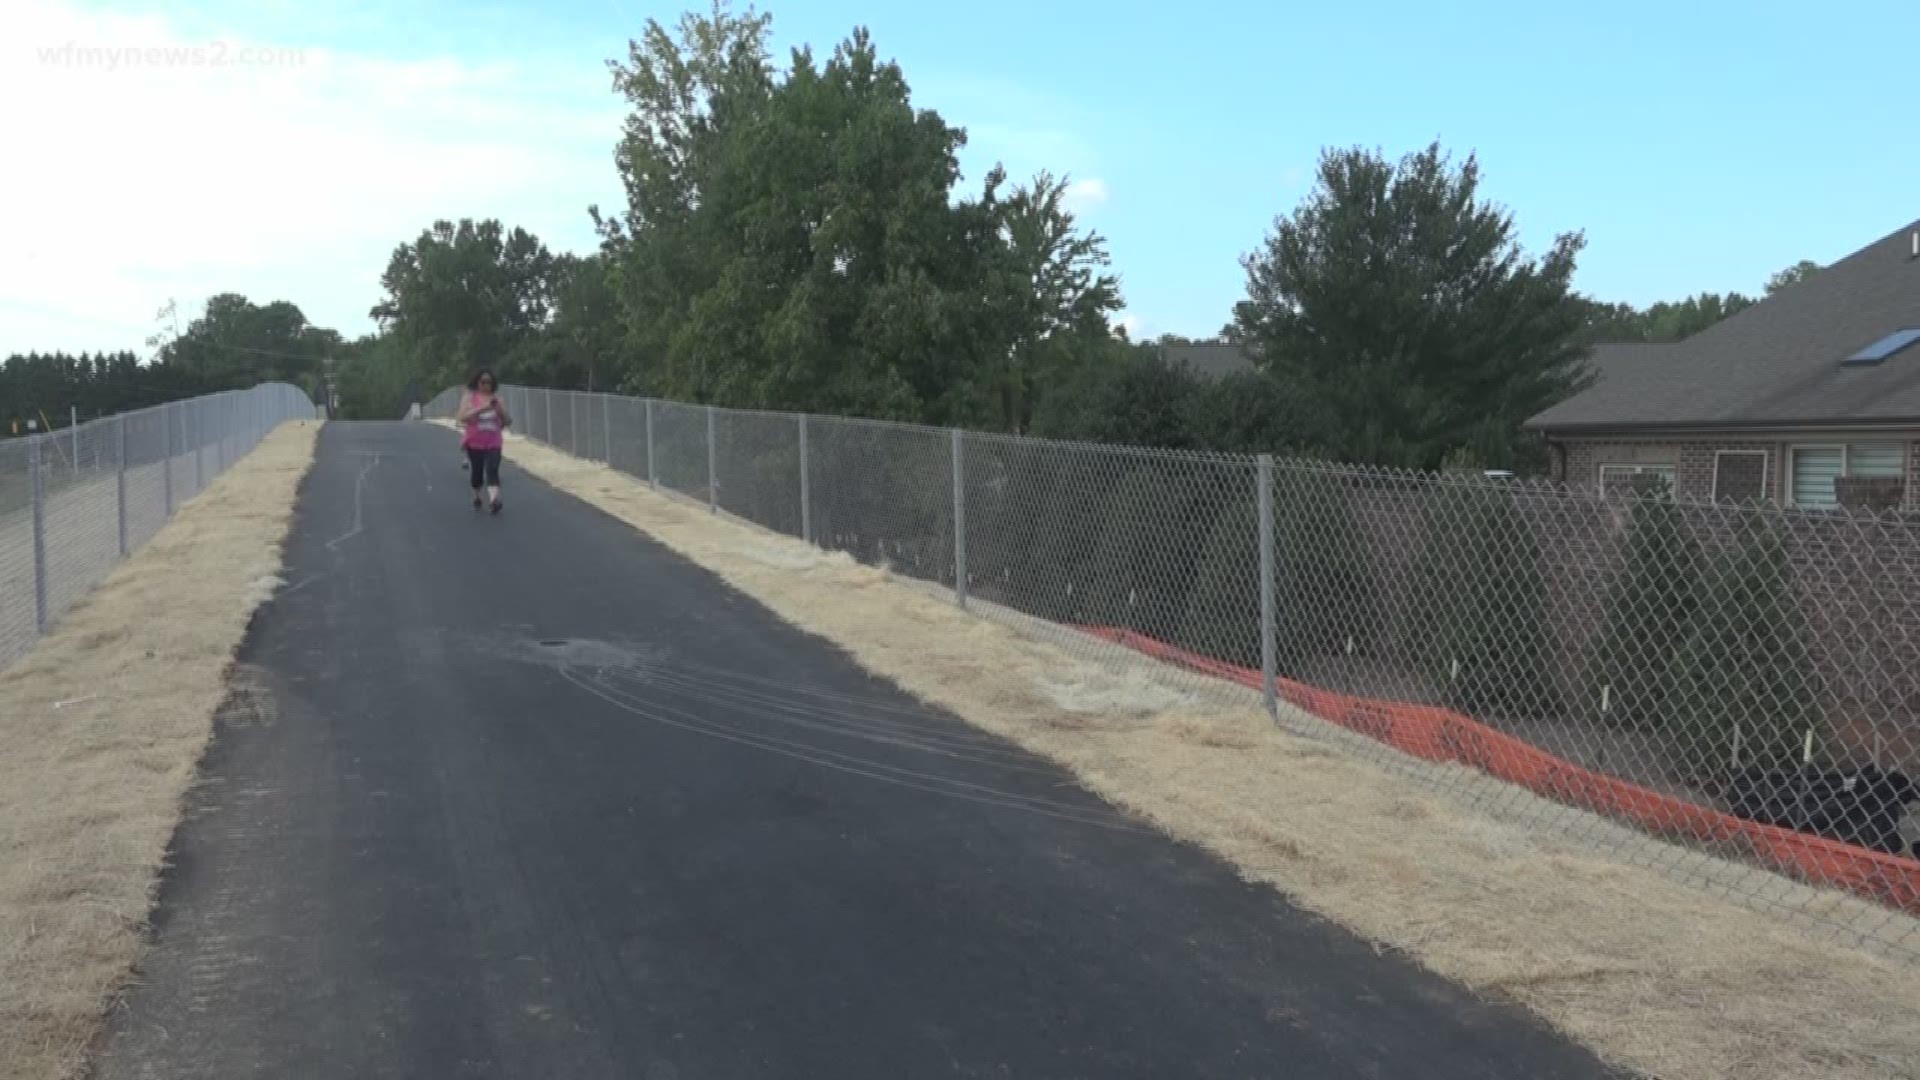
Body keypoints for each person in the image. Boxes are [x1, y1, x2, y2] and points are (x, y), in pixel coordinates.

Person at [456, 370, 511, 513]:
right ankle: (477, 495)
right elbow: (462, 417)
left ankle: (494, 500)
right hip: (475, 441)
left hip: (494, 441)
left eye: (489, 382)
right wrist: (482, 409)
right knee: (477, 472)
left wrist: (499, 410)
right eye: (483, 382)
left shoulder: (497, 399)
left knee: (492, 469)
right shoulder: (470, 398)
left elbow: (507, 421)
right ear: (477, 382)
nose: (486, 385)